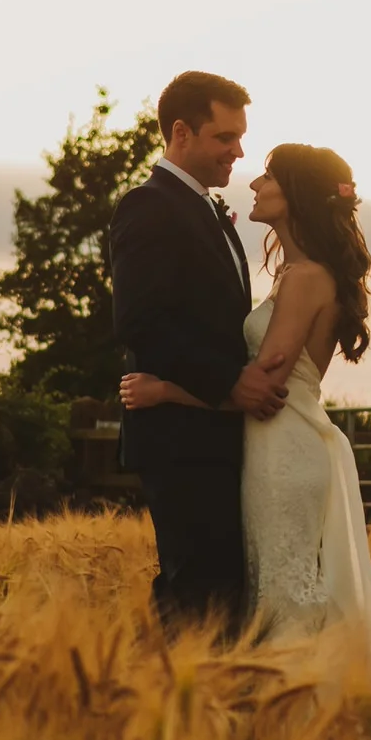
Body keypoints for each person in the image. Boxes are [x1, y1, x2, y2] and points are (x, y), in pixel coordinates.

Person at [120, 142, 371, 689]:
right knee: (269, 592)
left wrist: (165, 389)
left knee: (284, 597)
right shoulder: (294, 274)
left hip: (284, 451)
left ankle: (298, 723)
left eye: (267, 177)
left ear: (296, 195)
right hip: (270, 445)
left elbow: (260, 386)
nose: (254, 184)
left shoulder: (309, 277)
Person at [106, 71, 289, 635]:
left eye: (239, 137)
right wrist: (230, 382)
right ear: (181, 133)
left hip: (215, 434)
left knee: (224, 598)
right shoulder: (148, 206)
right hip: (180, 440)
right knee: (198, 601)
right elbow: (142, 322)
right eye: (225, 137)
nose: (238, 151)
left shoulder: (210, 211)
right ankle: (180, 711)